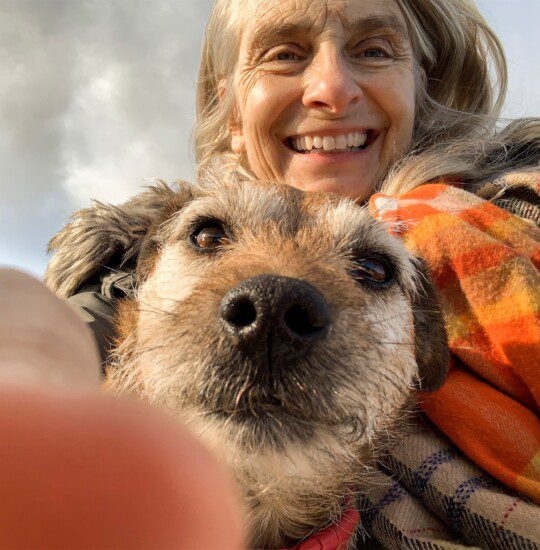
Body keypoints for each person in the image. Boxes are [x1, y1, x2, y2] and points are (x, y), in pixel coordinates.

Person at [5, 0, 539, 547]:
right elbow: (77, 330)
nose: (330, 88)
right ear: (233, 109)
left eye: (371, 268)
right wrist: (36, 360)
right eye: (209, 239)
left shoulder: (519, 210)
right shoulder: (121, 261)